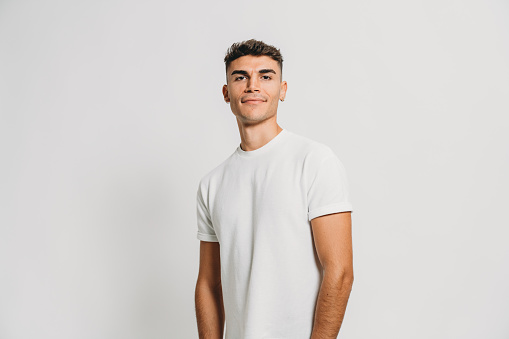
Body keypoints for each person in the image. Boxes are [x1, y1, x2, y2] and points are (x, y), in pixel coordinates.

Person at [194, 39, 354, 339]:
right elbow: (208, 283)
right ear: (227, 93)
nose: (253, 85)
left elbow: (340, 273)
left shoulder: (315, 161)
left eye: (265, 76)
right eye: (241, 77)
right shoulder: (212, 184)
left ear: (282, 89)